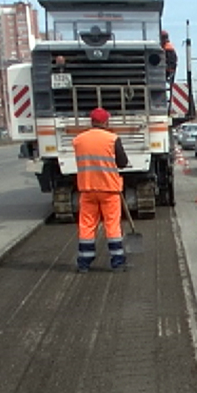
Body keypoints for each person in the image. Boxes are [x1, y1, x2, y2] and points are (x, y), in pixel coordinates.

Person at [72, 107, 129, 273]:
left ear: (91, 121)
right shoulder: (112, 139)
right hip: (109, 190)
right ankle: (117, 261)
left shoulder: (78, 140)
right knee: (112, 224)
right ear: (106, 121)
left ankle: (84, 262)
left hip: (87, 189)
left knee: (87, 225)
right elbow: (122, 162)